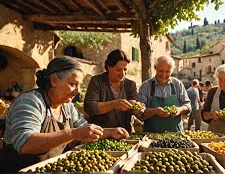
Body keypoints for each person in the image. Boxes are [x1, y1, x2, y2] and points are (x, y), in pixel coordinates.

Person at [0, 56, 129, 172]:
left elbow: (84, 129)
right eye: (73, 84)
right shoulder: (30, 101)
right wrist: (73, 133)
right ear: (54, 81)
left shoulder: (66, 106)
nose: (77, 91)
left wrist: (111, 132)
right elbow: (25, 143)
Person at [84, 49, 143, 133]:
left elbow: (137, 112)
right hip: (100, 134)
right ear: (108, 67)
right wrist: (114, 104)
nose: (123, 73)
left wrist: (135, 108)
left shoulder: (130, 85)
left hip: (124, 134)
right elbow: (89, 107)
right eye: (118, 70)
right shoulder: (97, 81)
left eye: (125, 69)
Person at [138, 56, 191, 133]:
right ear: (155, 68)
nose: (164, 75)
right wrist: (155, 111)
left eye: (167, 72)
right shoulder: (146, 86)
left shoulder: (177, 84)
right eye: (161, 71)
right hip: (151, 135)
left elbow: (187, 105)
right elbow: (140, 113)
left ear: (172, 71)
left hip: (176, 134)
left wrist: (179, 110)